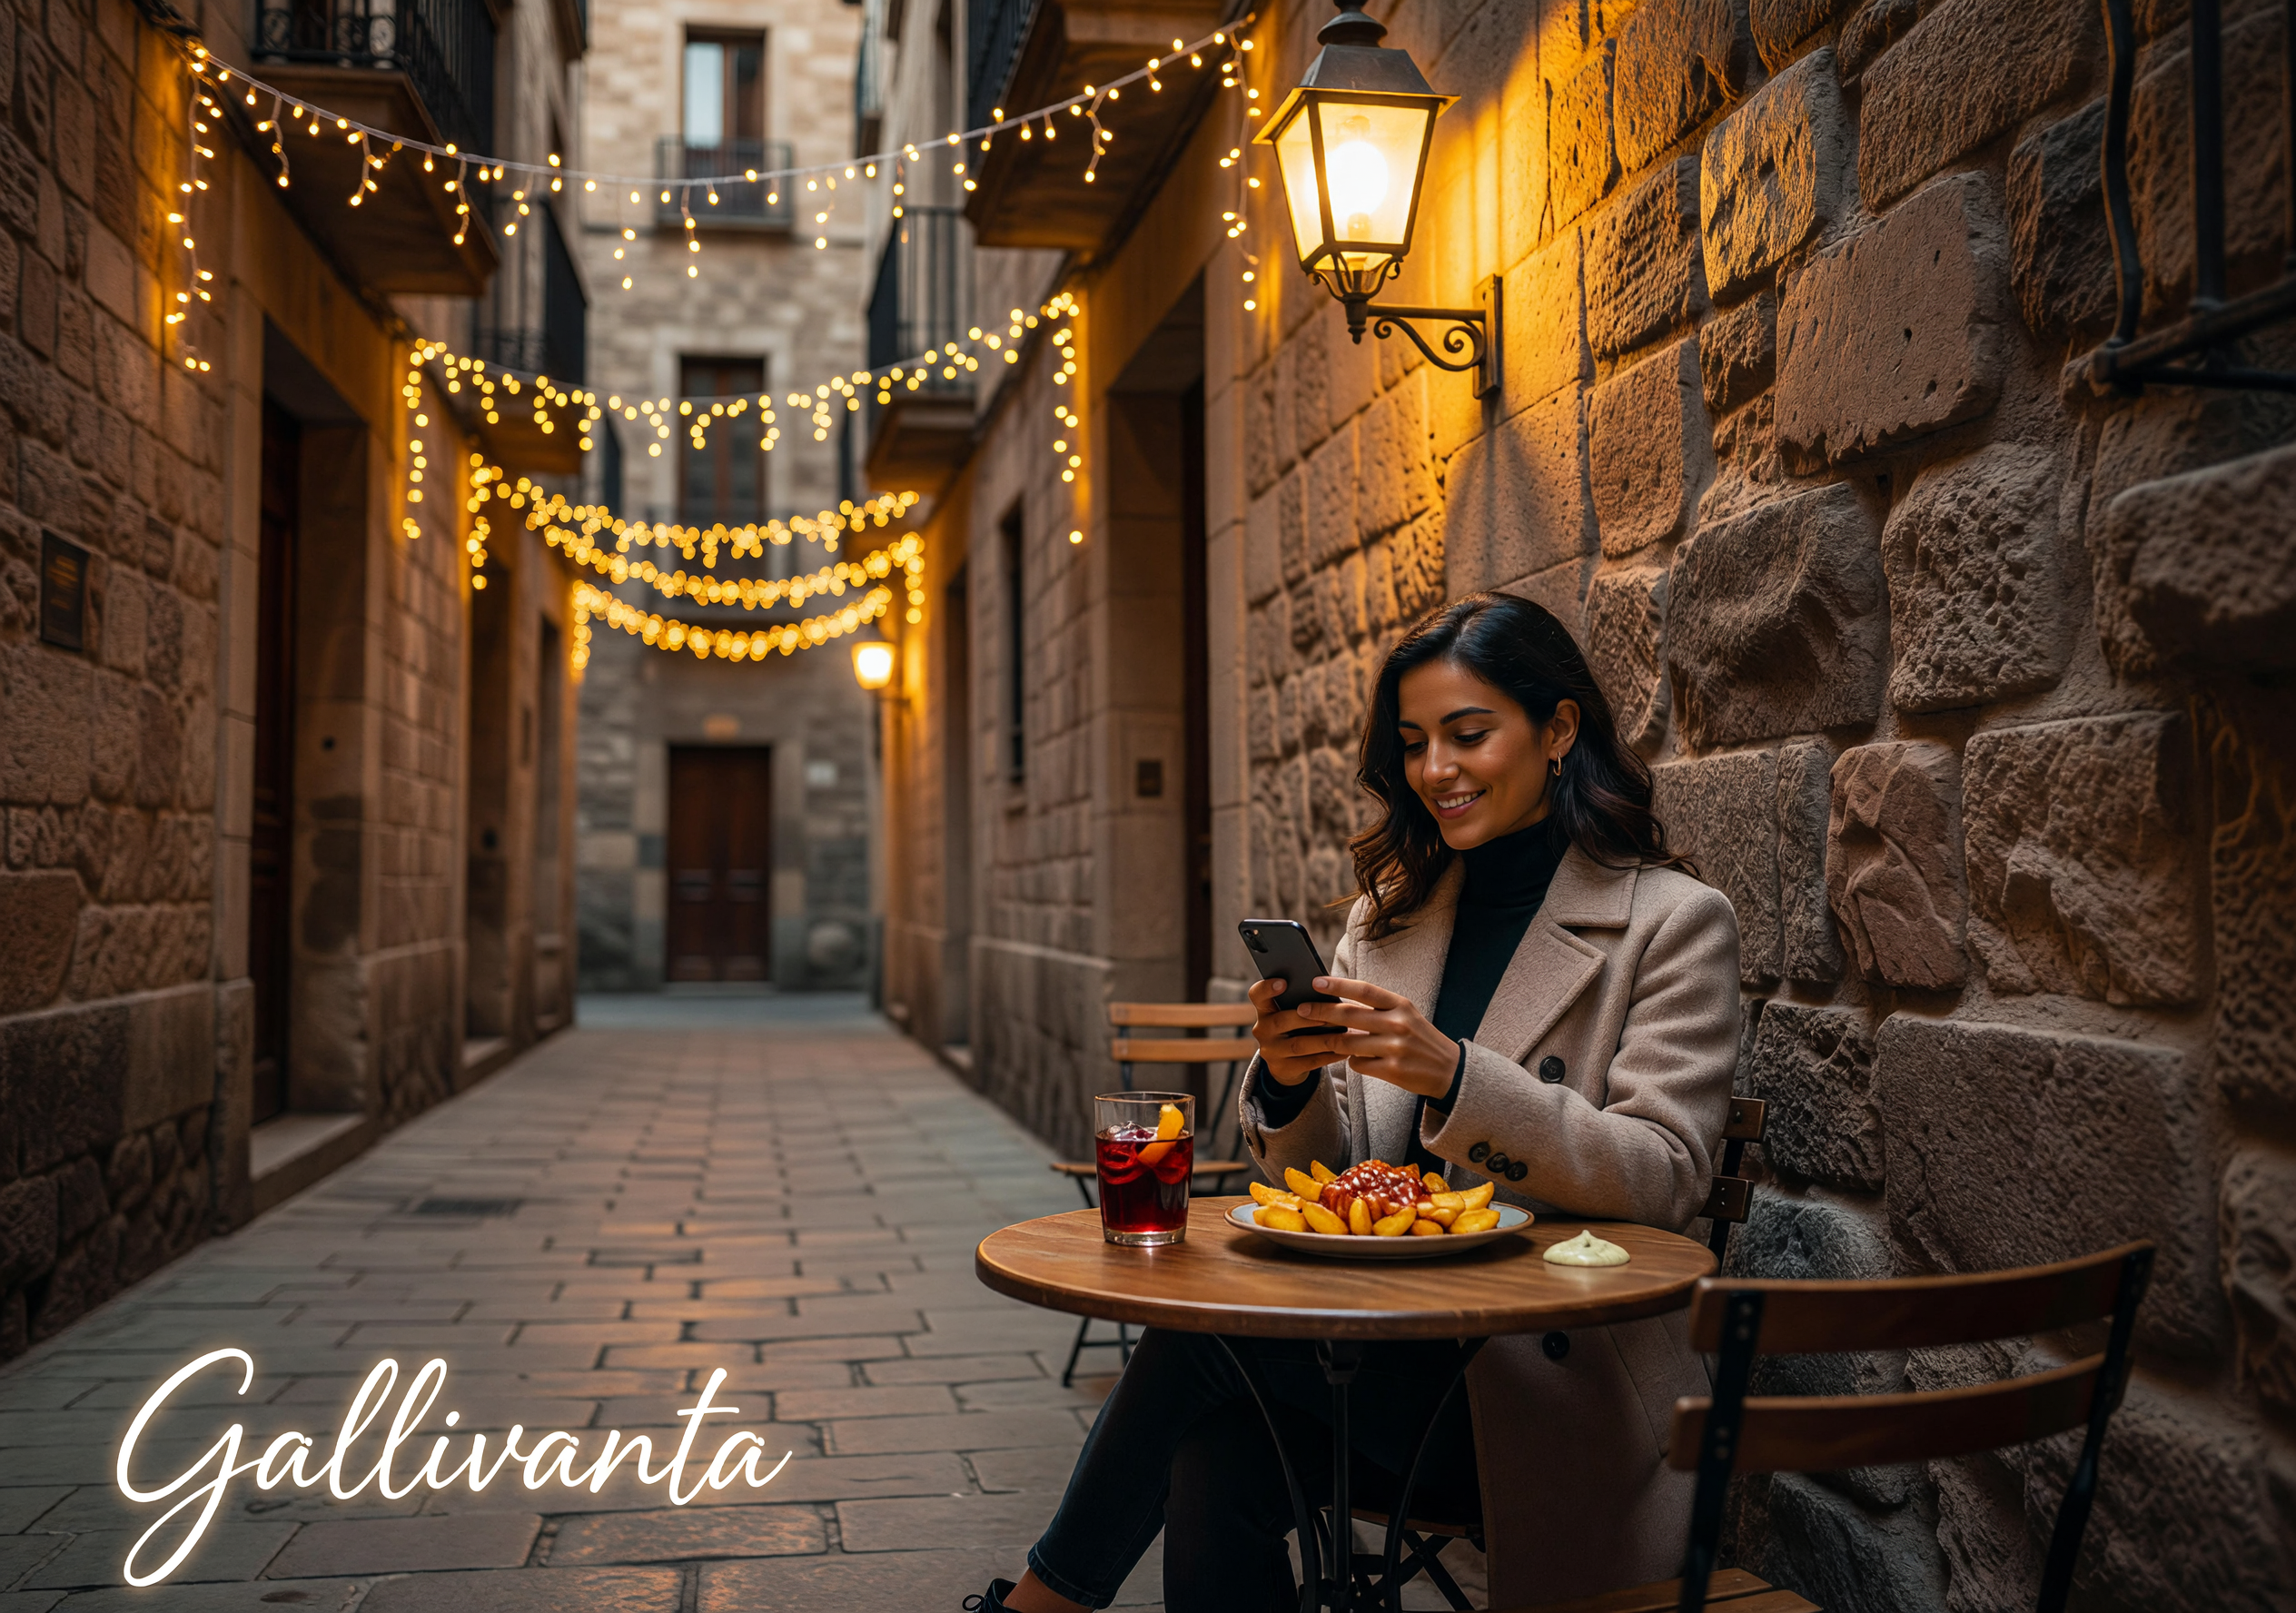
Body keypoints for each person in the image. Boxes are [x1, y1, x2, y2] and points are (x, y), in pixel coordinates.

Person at [968, 593, 1741, 1613]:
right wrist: (1287, 1080)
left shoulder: (1671, 924)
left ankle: (1040, 1604)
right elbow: (1327, 1182)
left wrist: (1457, 1079)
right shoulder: (1390, 922)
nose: (1434, 772)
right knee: (1212, 1459)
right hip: (1366, 1353)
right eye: (1414, 743)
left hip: (1537, 1389)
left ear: (1557, 730)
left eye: (1468, 735)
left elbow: (1667, 1175)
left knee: (1209, 1332)